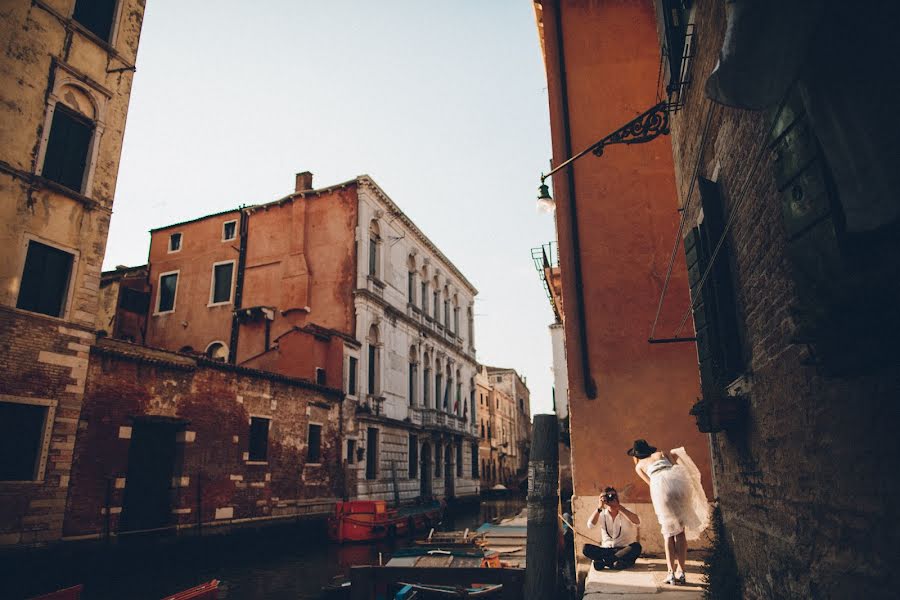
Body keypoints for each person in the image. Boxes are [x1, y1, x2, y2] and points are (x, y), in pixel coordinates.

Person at [629, 439, 710, 585]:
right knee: (680, 531)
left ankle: (671, 573)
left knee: (668, 533)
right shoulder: (661, 453)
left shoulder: (639, 466)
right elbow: (675, 468)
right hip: (678, 485)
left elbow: (651, 482)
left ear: (636, 455)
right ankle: (682, 572)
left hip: (661, 489)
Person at [582, 486, 642, 570]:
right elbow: (590, 525)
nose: (611, 498)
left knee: (636, 547)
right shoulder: (602, 514)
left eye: (613, 496)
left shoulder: (626, 511)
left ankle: (605, 562)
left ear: (617, 497)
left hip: (623, 550)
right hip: (606, 550)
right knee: (585, 548)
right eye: (608, 496)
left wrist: (619, 507)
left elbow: (637, 522)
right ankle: (615, 563)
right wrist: (599, 508)